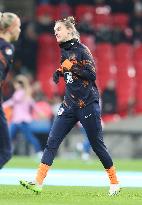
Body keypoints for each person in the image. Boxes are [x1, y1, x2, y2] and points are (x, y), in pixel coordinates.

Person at [20, 16, 120, 196]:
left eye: (58, 29)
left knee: (97, 145)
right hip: (68, 105)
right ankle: (38, 182)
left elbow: (91, 74)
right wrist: (59, 71)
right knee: (52, 141)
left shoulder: (82, 50)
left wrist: (69, 68)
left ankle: (114, 182)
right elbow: (69, 68)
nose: (55, 32)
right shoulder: (65, 51)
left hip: (87, 104)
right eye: (54, 30)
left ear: (69, 31)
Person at [0, 12, 21, 169]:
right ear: (11, 29)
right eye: (18, 26)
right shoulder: (6, 48)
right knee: (5, 152)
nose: (19, 30)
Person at [3, 75, 42, 157]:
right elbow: (33, 104)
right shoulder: (26, 94)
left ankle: (39, 152)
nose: (14, 85)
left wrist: (2, 106)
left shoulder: (19, 93)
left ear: (19, 84)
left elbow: (11, 102)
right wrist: (40, 113)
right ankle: (39, 152)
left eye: (15, 84)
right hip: (19, 120)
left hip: (20, 121)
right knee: (28, 137)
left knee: (11, 137)